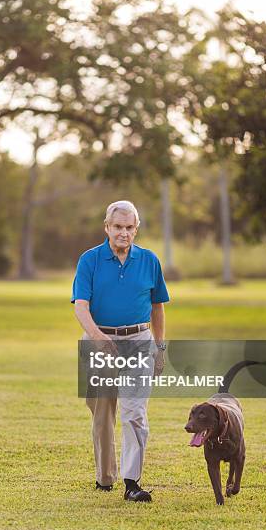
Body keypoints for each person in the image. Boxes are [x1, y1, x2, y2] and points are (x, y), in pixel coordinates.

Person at [71, 200, 169, 502]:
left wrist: (160, 347)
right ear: (107, 228)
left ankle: (132, 483)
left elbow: (157, 307)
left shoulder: (150, 261)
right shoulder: (90, 260)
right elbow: (81, 307)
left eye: (129, 228)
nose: (123, 233)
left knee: (135, 413)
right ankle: (105, 477)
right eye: (117, 227)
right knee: (102, 413)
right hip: (100, 342)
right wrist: (98, 337)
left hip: (139, 340)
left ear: (136, 229)